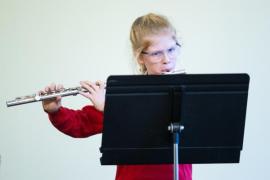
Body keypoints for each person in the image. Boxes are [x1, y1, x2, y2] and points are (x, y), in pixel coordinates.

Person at [40, 13, 192, 180]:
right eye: (156, 53)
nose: (167, 59)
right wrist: (55, 111)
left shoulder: (191, 95)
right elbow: (80, 124)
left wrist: (110, 109)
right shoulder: (125, 96)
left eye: (171, 49)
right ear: (140, 57)